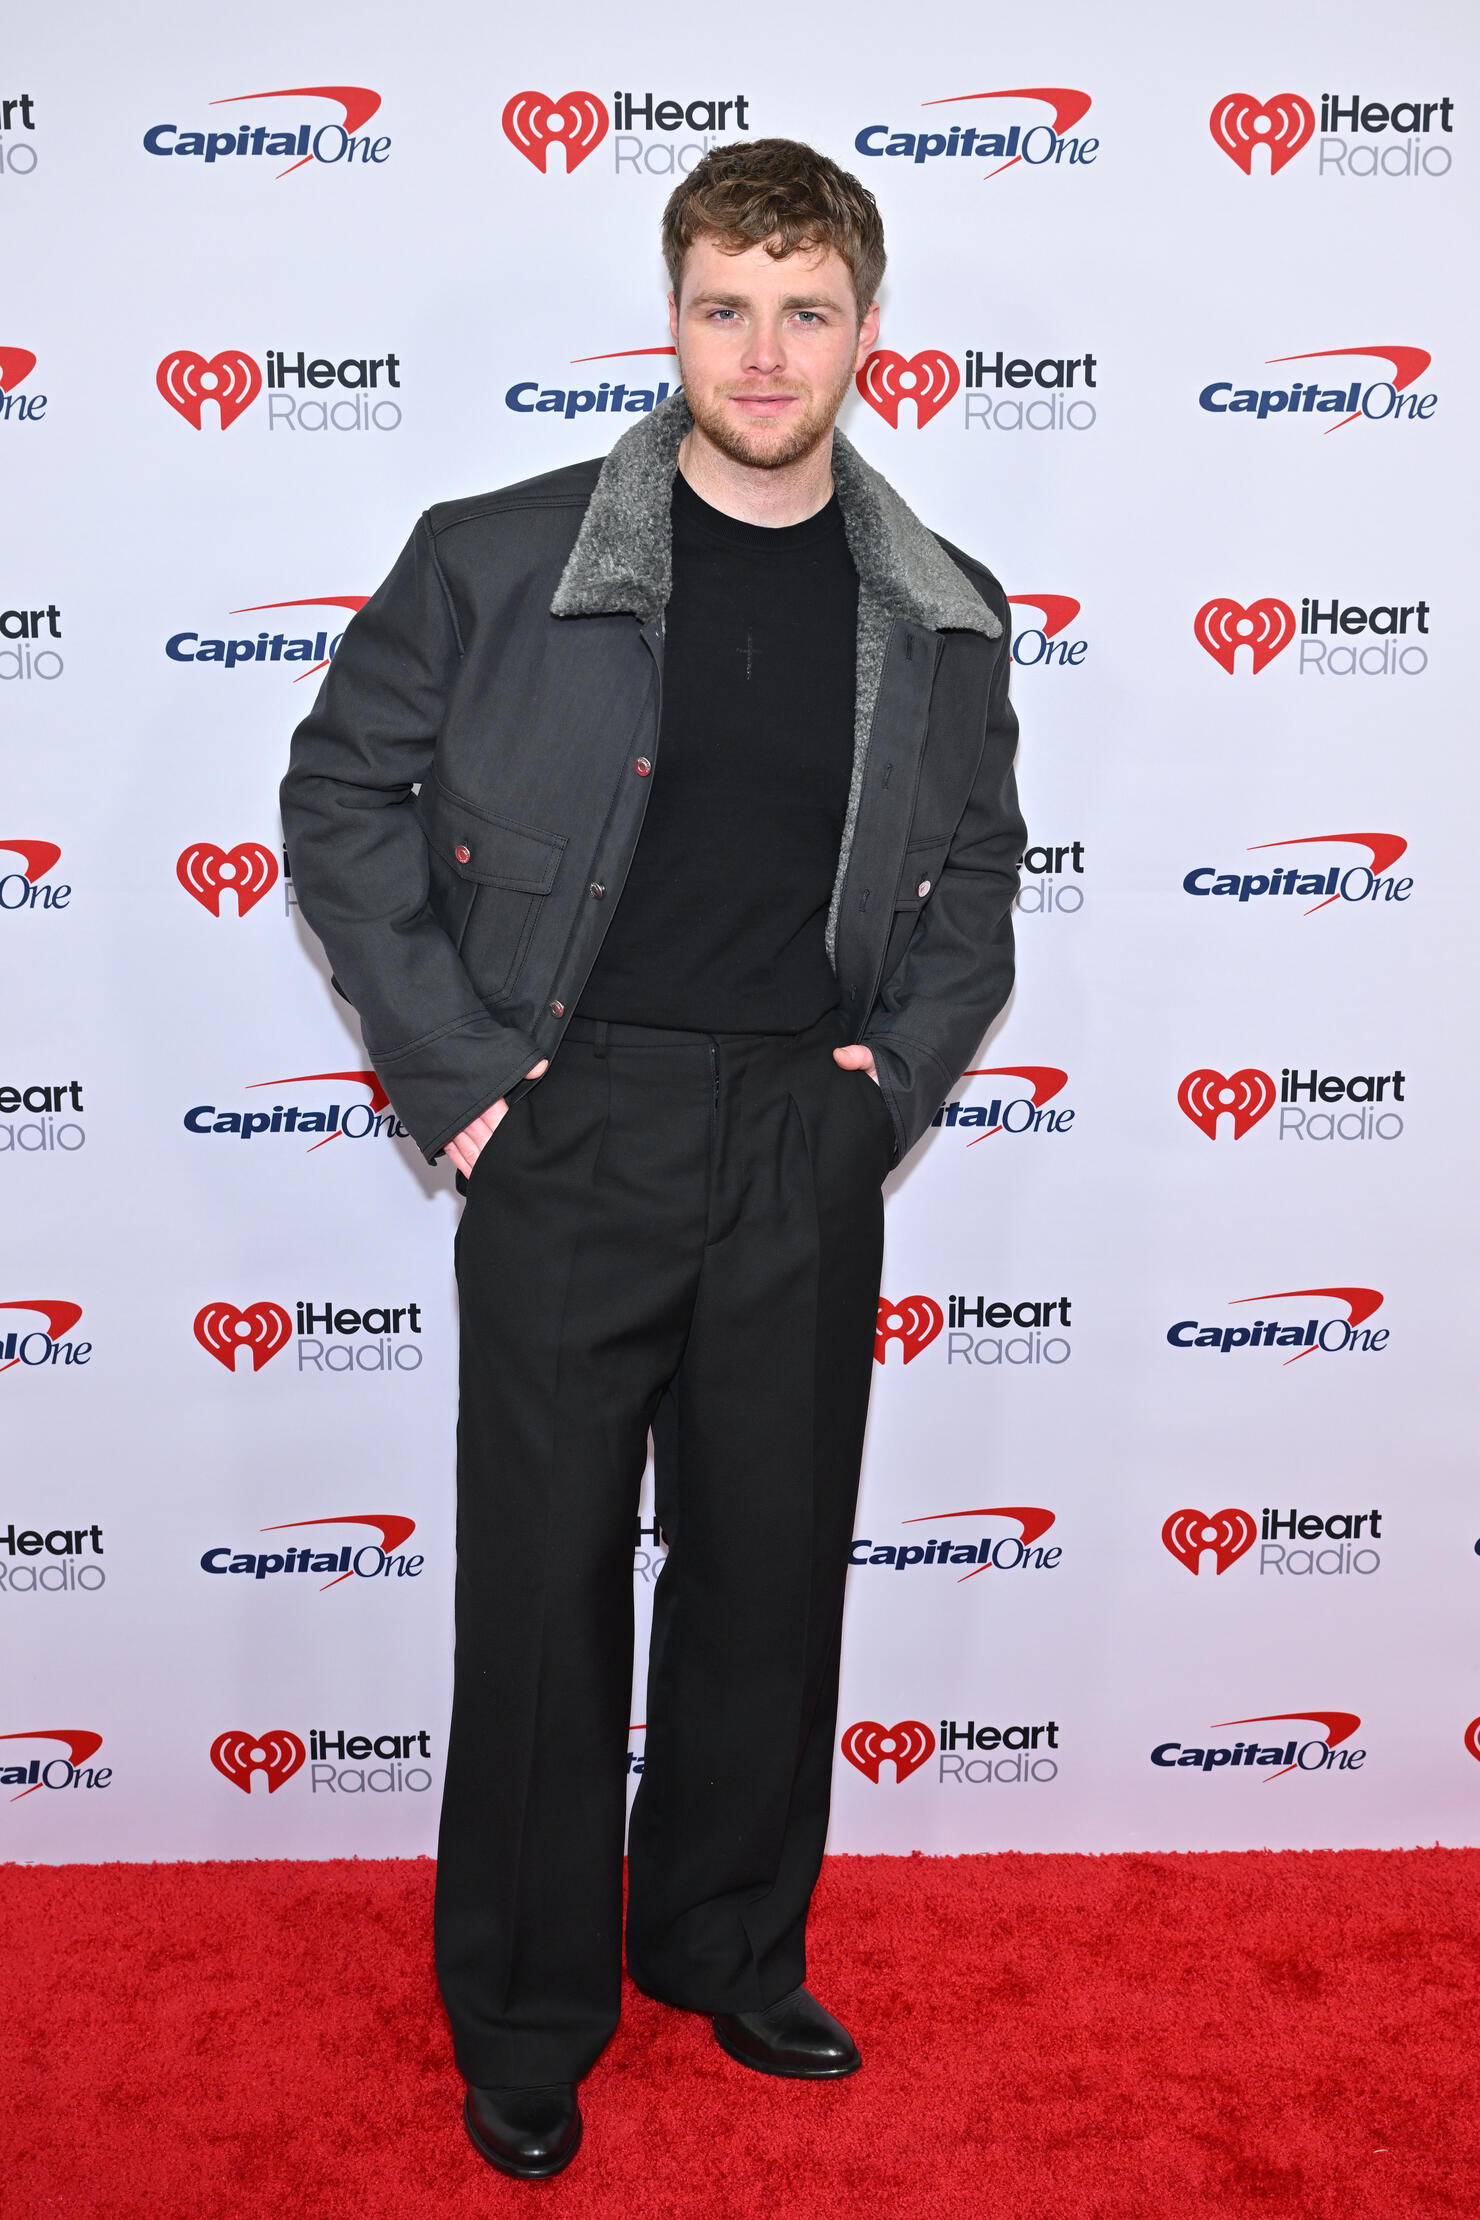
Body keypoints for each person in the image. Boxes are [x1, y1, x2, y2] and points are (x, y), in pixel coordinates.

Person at [281, 136, 1023, 2180]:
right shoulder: (497, 553)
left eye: (803, 308)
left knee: (768, 1581)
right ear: (670, 318)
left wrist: (879, 1090)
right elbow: (337, 794)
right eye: (724, 304)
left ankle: (725, 1939)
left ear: (867, 332)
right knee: (537, 1596)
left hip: (801, 1124)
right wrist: (465, 1085)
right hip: (568, 1119)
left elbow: (977, 881)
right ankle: (524, 2011)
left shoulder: (941, 608)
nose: (763, 349)